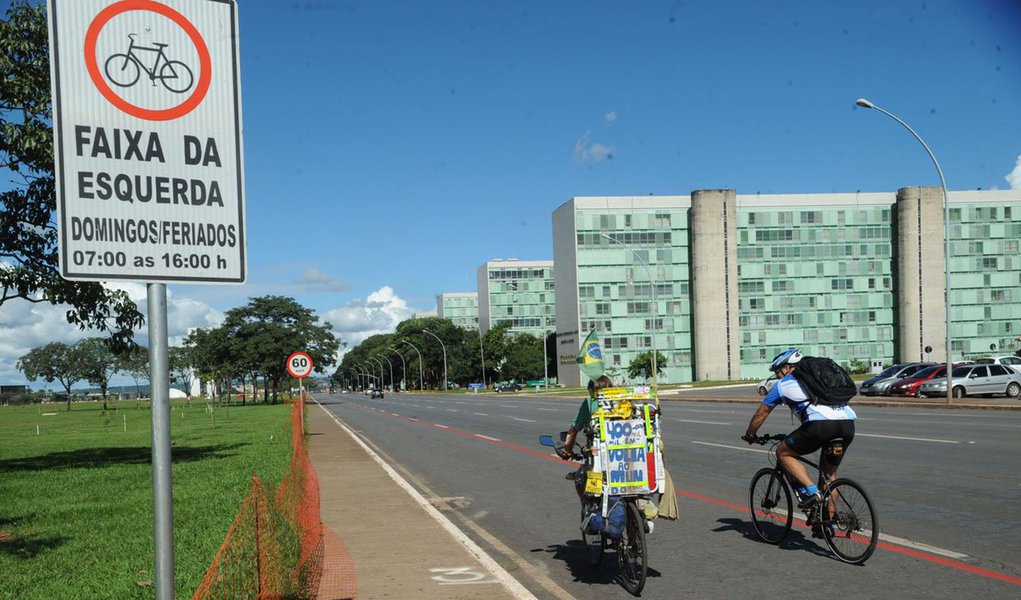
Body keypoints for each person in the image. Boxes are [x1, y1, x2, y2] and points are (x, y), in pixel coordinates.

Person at [742, 348, 857, 515]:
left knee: (783, 452)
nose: (778, 375)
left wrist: (750, 434)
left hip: (820, 427)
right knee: (830, 476)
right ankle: (828, 524)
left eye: (778, 371)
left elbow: (762, 413)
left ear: (788, 368)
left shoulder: (784, 384)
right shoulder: (820, 380)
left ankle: (811, 492)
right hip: (847, 425)